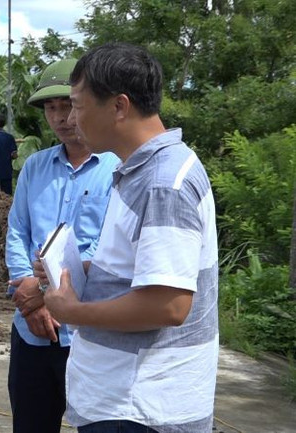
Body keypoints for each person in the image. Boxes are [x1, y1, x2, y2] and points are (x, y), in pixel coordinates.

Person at [44, 42, 219, 432]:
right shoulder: (141, 170)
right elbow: (148, 271)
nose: (71, 118)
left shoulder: (162, 184)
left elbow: (167, 305)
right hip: (124, 400)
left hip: (140, 409)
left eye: (78, 105)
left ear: (119, 106)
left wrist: (72, 312)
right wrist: (84, 270)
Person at [5, 58, 120, 433]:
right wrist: (26, 285)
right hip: (31, 328)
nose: (61, 117)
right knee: (31, 422)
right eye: (51, 108)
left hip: (89, 329)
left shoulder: (118, 168)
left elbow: (108, 246)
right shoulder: (35, 167)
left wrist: (42, 292)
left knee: (98, 424)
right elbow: (18, 230)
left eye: (68, 105)